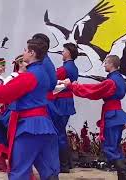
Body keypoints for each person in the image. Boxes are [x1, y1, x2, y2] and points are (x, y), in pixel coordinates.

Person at [0, 39, 60, 180]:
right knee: (48, 170)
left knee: (19, 170)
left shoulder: (29, 76)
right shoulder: (44, 72)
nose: (24, 52)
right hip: (45, 126)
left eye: (25, 50)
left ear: (32, 53)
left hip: (29, 127)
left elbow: (5, 93)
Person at [62, 55, 126, 180]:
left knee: (110, 147)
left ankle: (124, 176)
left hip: (112, 116)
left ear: (111, 64)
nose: (104, 65)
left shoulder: (111, 81)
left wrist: (73, 86)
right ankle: (123, 176)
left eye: (106, 63)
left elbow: (94, 91)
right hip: (116, 114)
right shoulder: (119, 79)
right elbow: (96, 89)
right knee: (114, 146)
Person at [53, 43, 79, 173]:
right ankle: (67, 163)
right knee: (61, 132)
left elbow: (51, 80)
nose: (62, 52)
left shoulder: (63, 69)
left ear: (68, 52)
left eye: (64, 50)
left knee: (59, 133)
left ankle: (63, 165)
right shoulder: (74, 68)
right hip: (67, 101)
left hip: (61, 102)